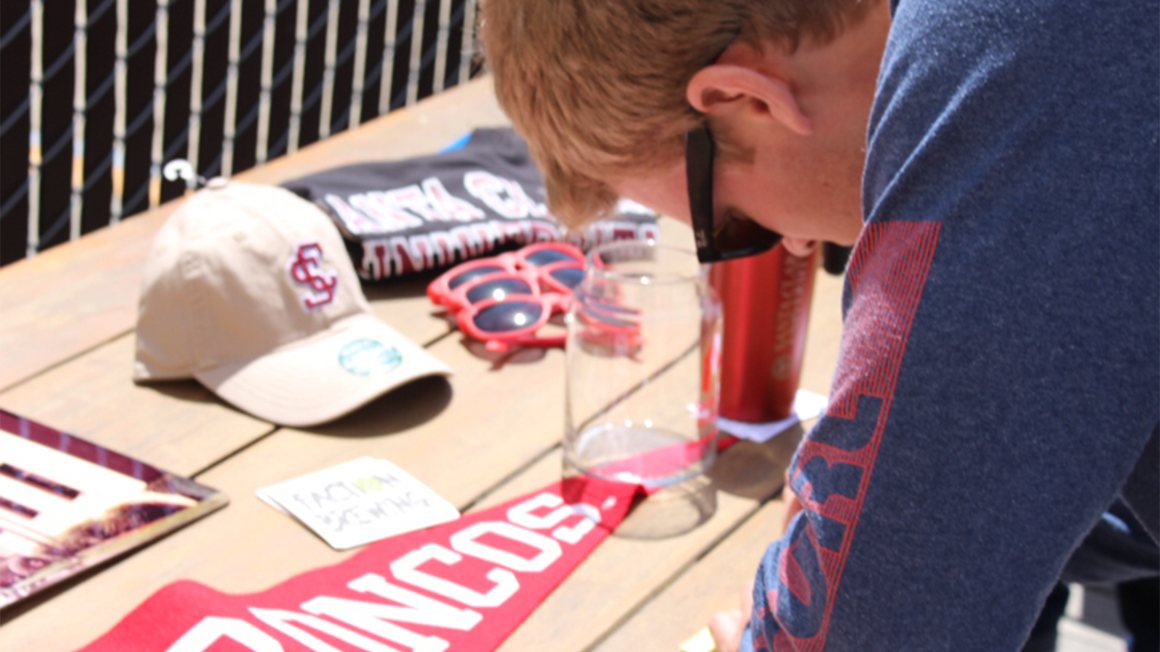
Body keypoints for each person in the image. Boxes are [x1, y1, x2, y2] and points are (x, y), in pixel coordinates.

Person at [478, 0, 1160, 650]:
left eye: (734, 224)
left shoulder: (1003, 61)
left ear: (748, 99)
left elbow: (882, 631)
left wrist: (829, 582)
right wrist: (865, 518)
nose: (792, 245)